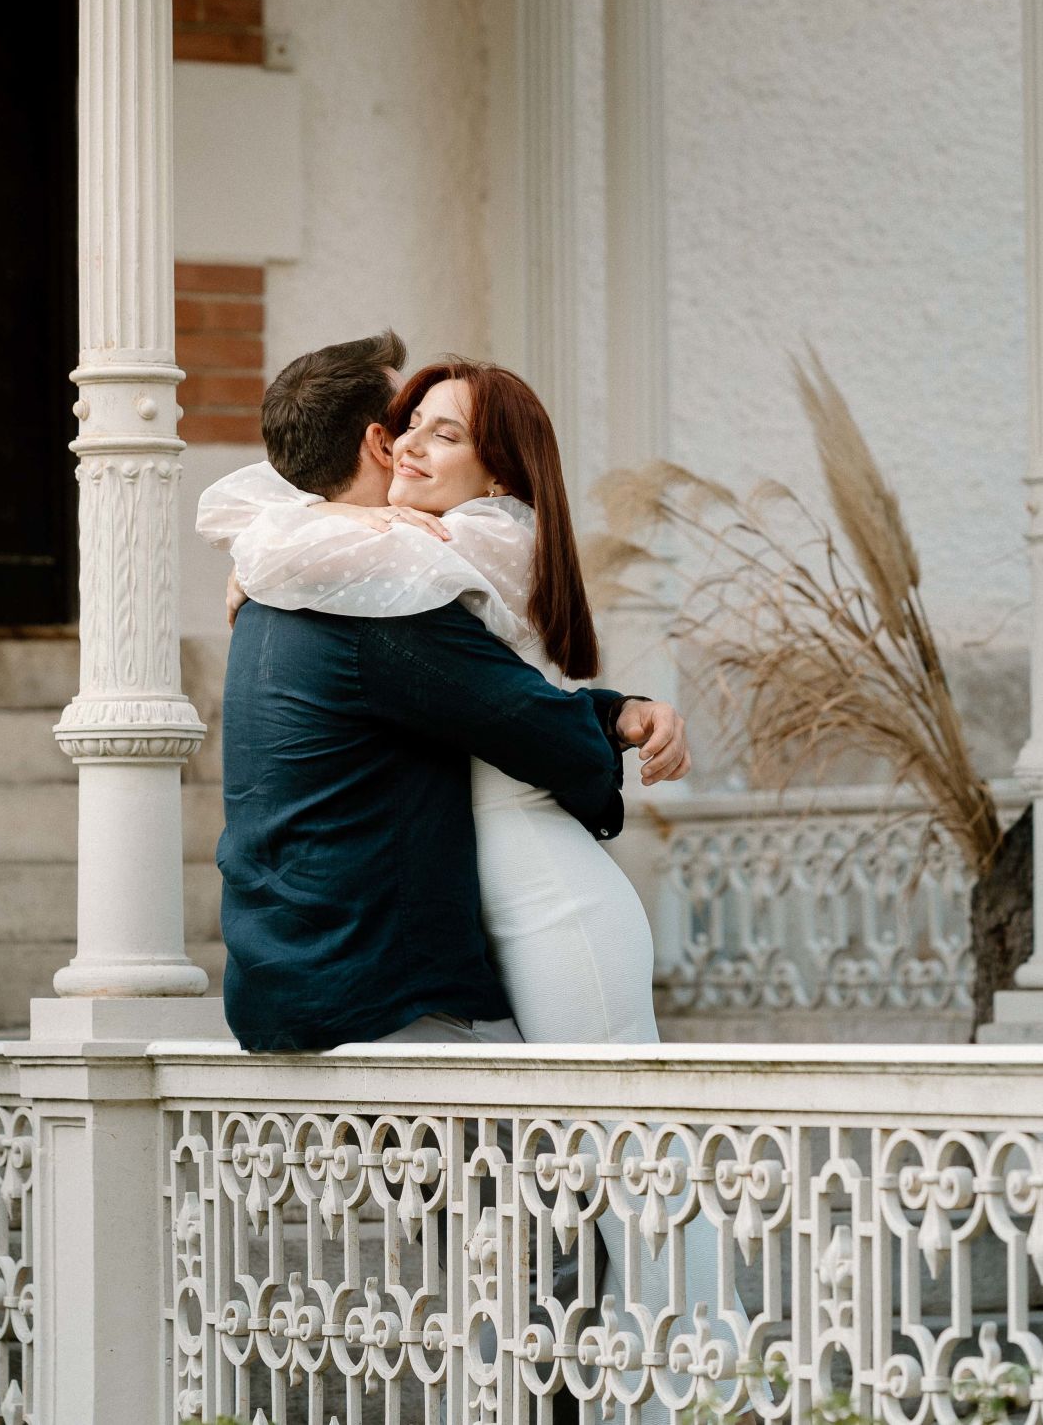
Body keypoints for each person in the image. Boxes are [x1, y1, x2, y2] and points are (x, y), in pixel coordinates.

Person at [207, 332, 687, 1050]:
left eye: (443, 432)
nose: (411, 442)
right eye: (406, 422)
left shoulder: (312, 569)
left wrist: (615, 716)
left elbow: (494, 699)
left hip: (309, 972)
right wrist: (611, 725)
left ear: (497, 476)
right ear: (378, 442)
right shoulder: (364, 594)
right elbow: (523, 719)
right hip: (376, 979)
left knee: (600, 1112)